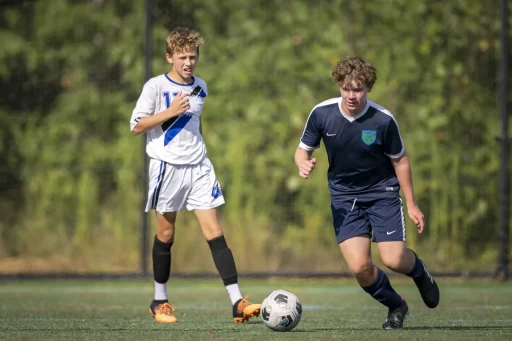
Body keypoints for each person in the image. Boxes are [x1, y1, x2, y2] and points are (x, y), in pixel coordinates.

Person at [294, 56, 439, 329]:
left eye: (358, 89)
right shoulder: (322, 114)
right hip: (344, 198)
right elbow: (303, 149)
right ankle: (396, 305)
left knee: (394, 259)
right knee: (360, 268)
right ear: (338, 84)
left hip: (382, 193)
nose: (352, 95)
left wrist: (412, 203)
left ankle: (420, 273)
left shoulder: (383, 121)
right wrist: (302, 163)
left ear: (368, 88)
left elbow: (401, 160)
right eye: (347, 88)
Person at [130, 27, 260, 324]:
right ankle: (159, 301)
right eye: (182, 57)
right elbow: (136, 126)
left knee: (214, 231)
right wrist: (170, 111)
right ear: (169, 57)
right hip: (166, 168)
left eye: (192, 56)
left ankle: (237, 302)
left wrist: (199, 151)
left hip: (199, 167)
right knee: (166, 233)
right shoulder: (155, 87)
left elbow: (195, 126)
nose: (189, 62)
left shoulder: (201, 86)